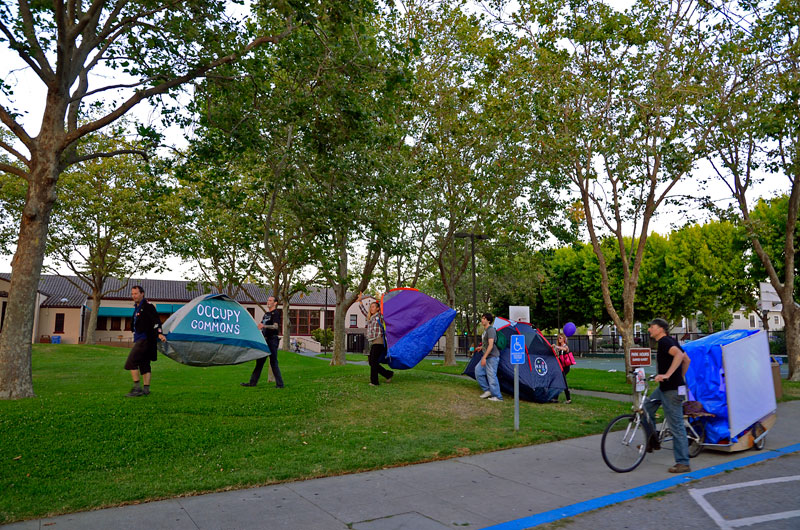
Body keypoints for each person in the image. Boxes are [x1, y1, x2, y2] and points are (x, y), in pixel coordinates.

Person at [645, 318, 692, 473]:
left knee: (676, 425)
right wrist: (678, 377)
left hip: (671, 390)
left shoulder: (665, 342)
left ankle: (683, 462)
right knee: (647, 408)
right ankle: (653, 441)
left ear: (661, 329)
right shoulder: (668, 341)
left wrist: (668, 375)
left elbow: (679, 355)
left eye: (652, 327)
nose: (649, 329)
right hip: (670, 387)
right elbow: (687, 360)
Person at [125, 285, 166, 397]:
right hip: (140, 338)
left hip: (145, 340)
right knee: (144, 363)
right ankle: (146, 390)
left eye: (136, 293)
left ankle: (137, 389)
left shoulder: (148, 306)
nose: (134, 296)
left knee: (131, 362)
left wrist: (159, 333)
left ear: (142, 294)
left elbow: (156, 321)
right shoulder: (137, 307)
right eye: (132, 294)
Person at [241, 295, 284, 388]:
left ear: (275, 303)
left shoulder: (276, 313)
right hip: (264, 340)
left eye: (270, 300)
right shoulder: (266, 314)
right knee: (259, 362)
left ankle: (280, 384)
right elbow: (260, 326)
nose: (268, 302)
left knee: (273, 362)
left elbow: (276, 326)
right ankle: (252, 383)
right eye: (268, 300)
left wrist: (264, 326)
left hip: (272, 340)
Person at [358, 293, 394, 386]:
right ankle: (388, 374)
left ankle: (374, 382)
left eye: (373, 307)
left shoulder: (380, 316)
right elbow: (364, 312)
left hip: (379, 341)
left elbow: (385, 310)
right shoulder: (371, 318)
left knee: (373, 361)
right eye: (371, 307)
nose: (371, 308)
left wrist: (384, 299)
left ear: (378, 308)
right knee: (372, 362)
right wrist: (360, 301)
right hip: (373, 342)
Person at [474, 313, 502, 401]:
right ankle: (487, 390)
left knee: (492, 376)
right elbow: (486, 345)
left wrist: (484, 357)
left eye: (484, 318)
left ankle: (497, 397)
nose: (482, 320)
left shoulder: (491, 330)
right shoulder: (485, 331)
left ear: (488, 320)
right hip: (487, 356)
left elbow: (491, 345)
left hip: (492, 357)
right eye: (482, 318)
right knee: (478, 371)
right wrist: (481, 348)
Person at [554, 332, 572, 404]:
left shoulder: (565, 347)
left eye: (560, 338)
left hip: (565, 367)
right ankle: (555, 398)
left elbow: (565, 349)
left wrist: (556, 347)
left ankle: (568, 399)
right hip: (560, 367)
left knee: (563, 382)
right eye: (558, 338)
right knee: (559, 381)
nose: (559, 339)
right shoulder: (559, 348)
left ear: (564, 339)